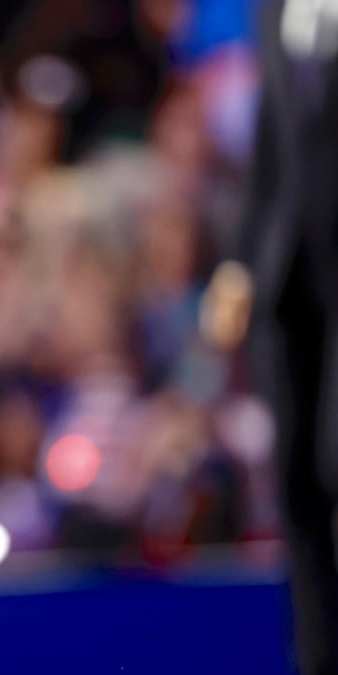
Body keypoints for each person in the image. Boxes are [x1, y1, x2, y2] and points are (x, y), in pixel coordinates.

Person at [203, 1, 338, 672]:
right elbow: (271, 149)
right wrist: (239, 260)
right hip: (291, 283)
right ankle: (317, 656)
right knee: (298, 483)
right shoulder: (275, 9)